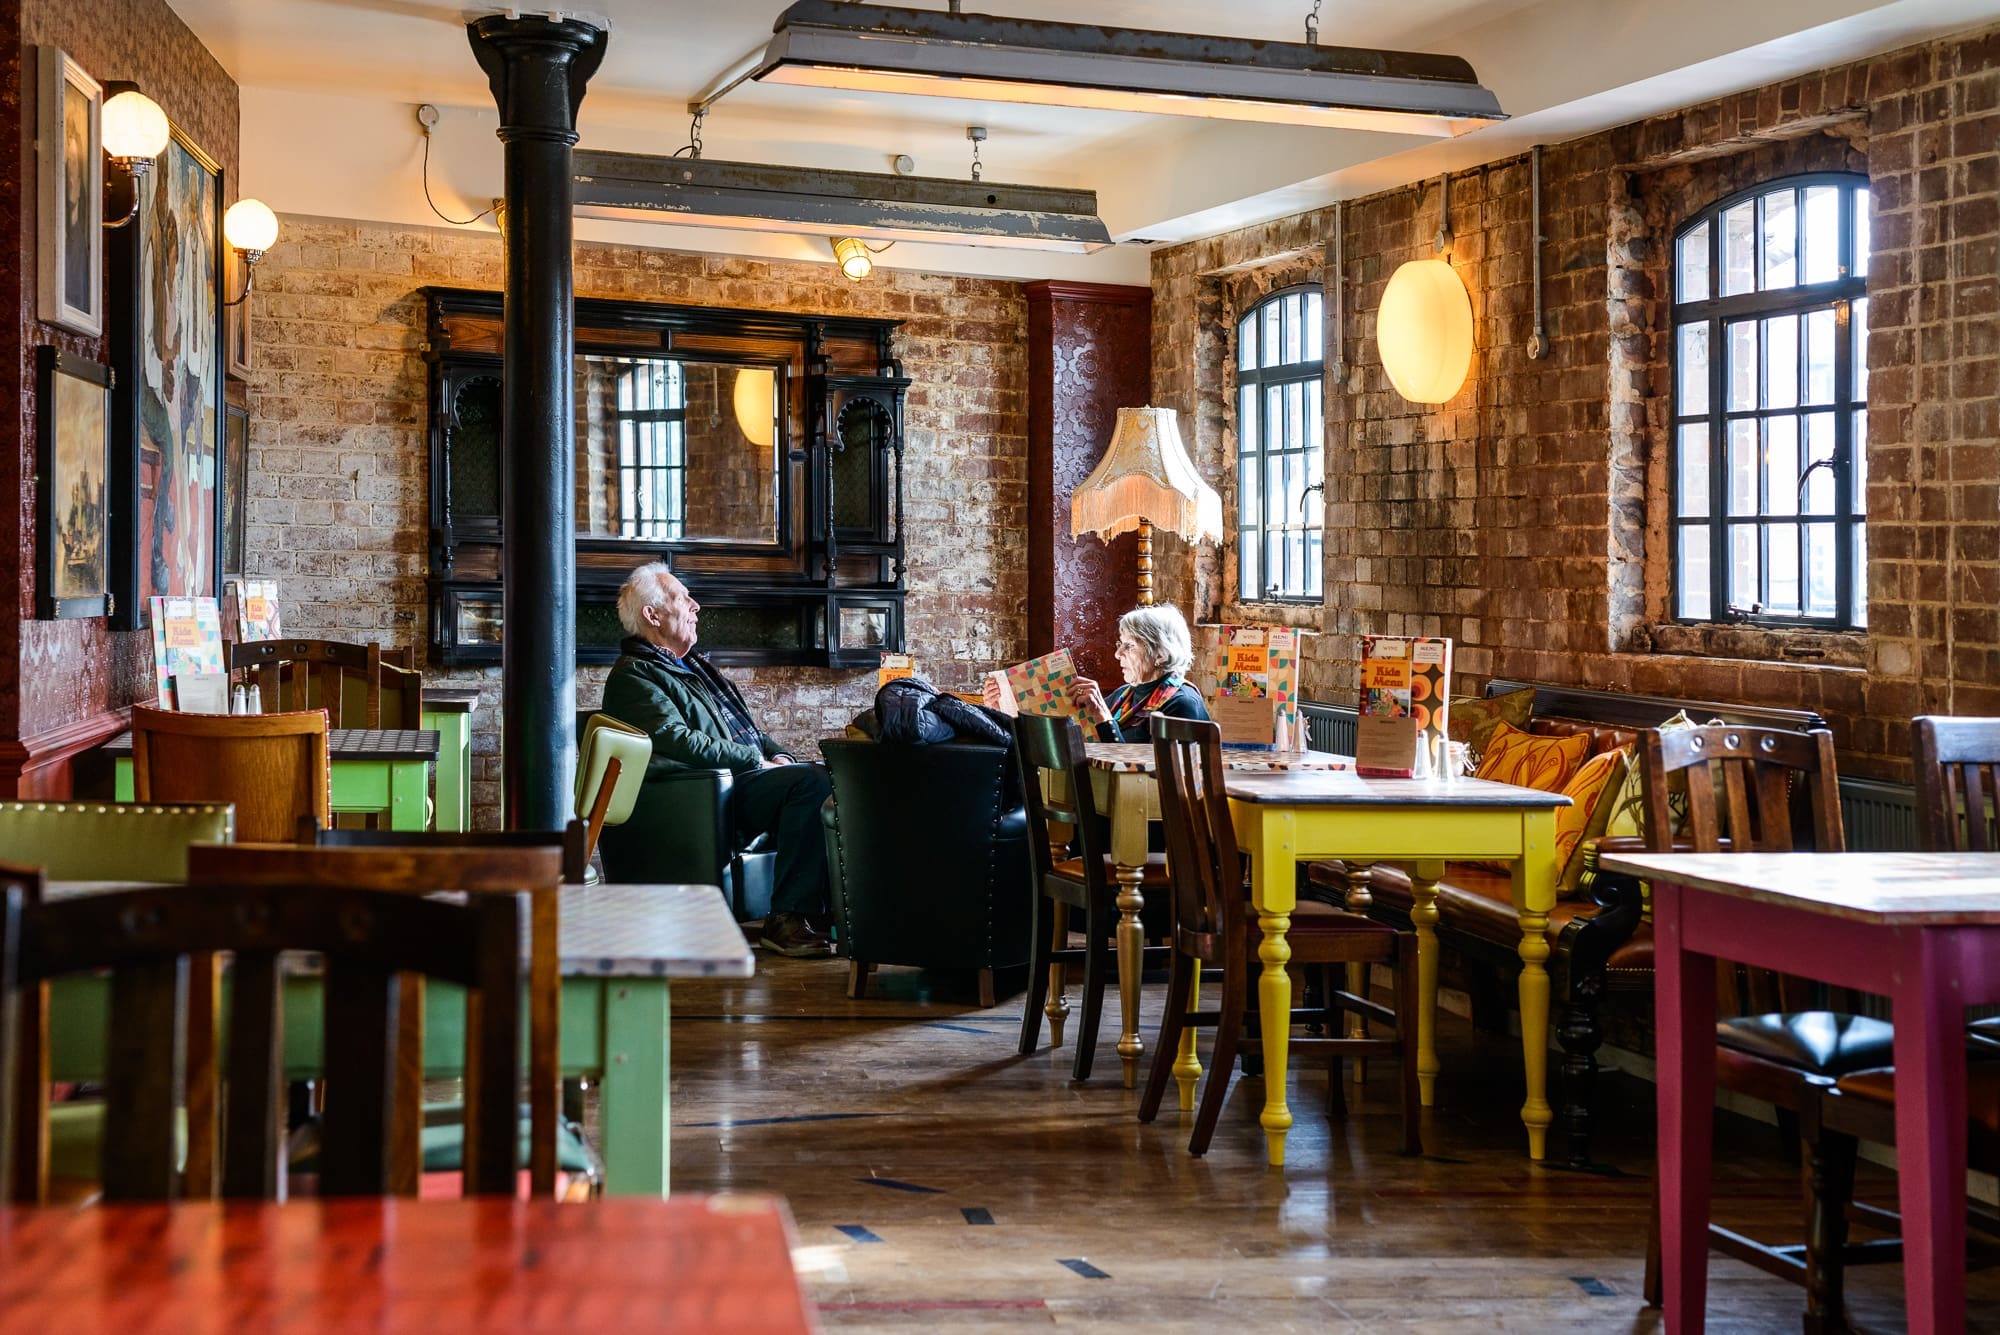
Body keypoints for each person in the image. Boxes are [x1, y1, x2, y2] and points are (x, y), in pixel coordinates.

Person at [601, 561, 834, 958]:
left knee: (821, 776)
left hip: (732, 779)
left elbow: (741, 729)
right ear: (652, 615)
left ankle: (829, 916)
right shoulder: (634, 675)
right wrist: (757, 763)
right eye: (682, 597)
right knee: (810, 784)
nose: (695, 606)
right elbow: (674, 738)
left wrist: (776, 753)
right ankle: (787, 919)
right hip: (702, 794)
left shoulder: (691, 668)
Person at [987, 604, 1210, 743]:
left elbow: (1141, 778)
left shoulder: (1182, 704)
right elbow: (1071, 742)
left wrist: (1103, 717)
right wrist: (1003, 712)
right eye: (1120, 644)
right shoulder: (1125, 695)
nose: (1117, 654)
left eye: (1129, 646)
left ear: (1160, 654)